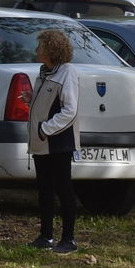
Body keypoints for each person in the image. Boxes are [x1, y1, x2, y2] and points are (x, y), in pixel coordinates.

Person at [19, 28, 80, 254]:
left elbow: (70, 110)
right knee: (44, 189)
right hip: (41, 141)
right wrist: (32, 100)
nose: (36, 50)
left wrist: (45, 129)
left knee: (63, 188)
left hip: (58, 142)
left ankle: (69, 239)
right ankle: (46, 237)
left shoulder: (67, 72)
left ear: (50, 49)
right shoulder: (44, 72)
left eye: (39, 46)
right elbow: (49, 103)